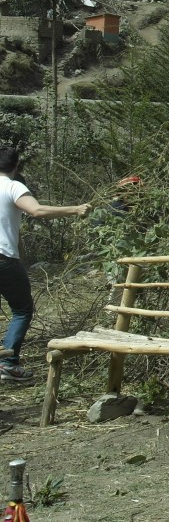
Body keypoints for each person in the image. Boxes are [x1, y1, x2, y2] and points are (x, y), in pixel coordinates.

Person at [0, 146, 89, 383]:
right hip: (2, 259)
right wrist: (75, 209)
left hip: (7, 258)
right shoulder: (12, 185)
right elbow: (37, 211)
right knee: (22, 310)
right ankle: (8, 363)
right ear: (16, 166)